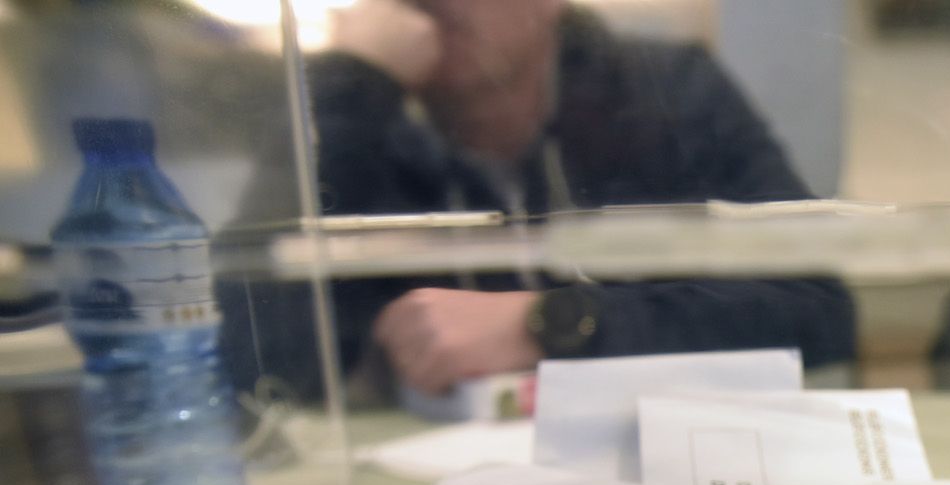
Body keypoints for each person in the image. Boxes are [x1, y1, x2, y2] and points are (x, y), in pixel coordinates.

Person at [223, 0, 854, 401]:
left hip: (668, 461)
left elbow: (817, 313)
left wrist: (551, 323)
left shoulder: (664, 93)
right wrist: (347, 89)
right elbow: (250, 362)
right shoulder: (365, 129)